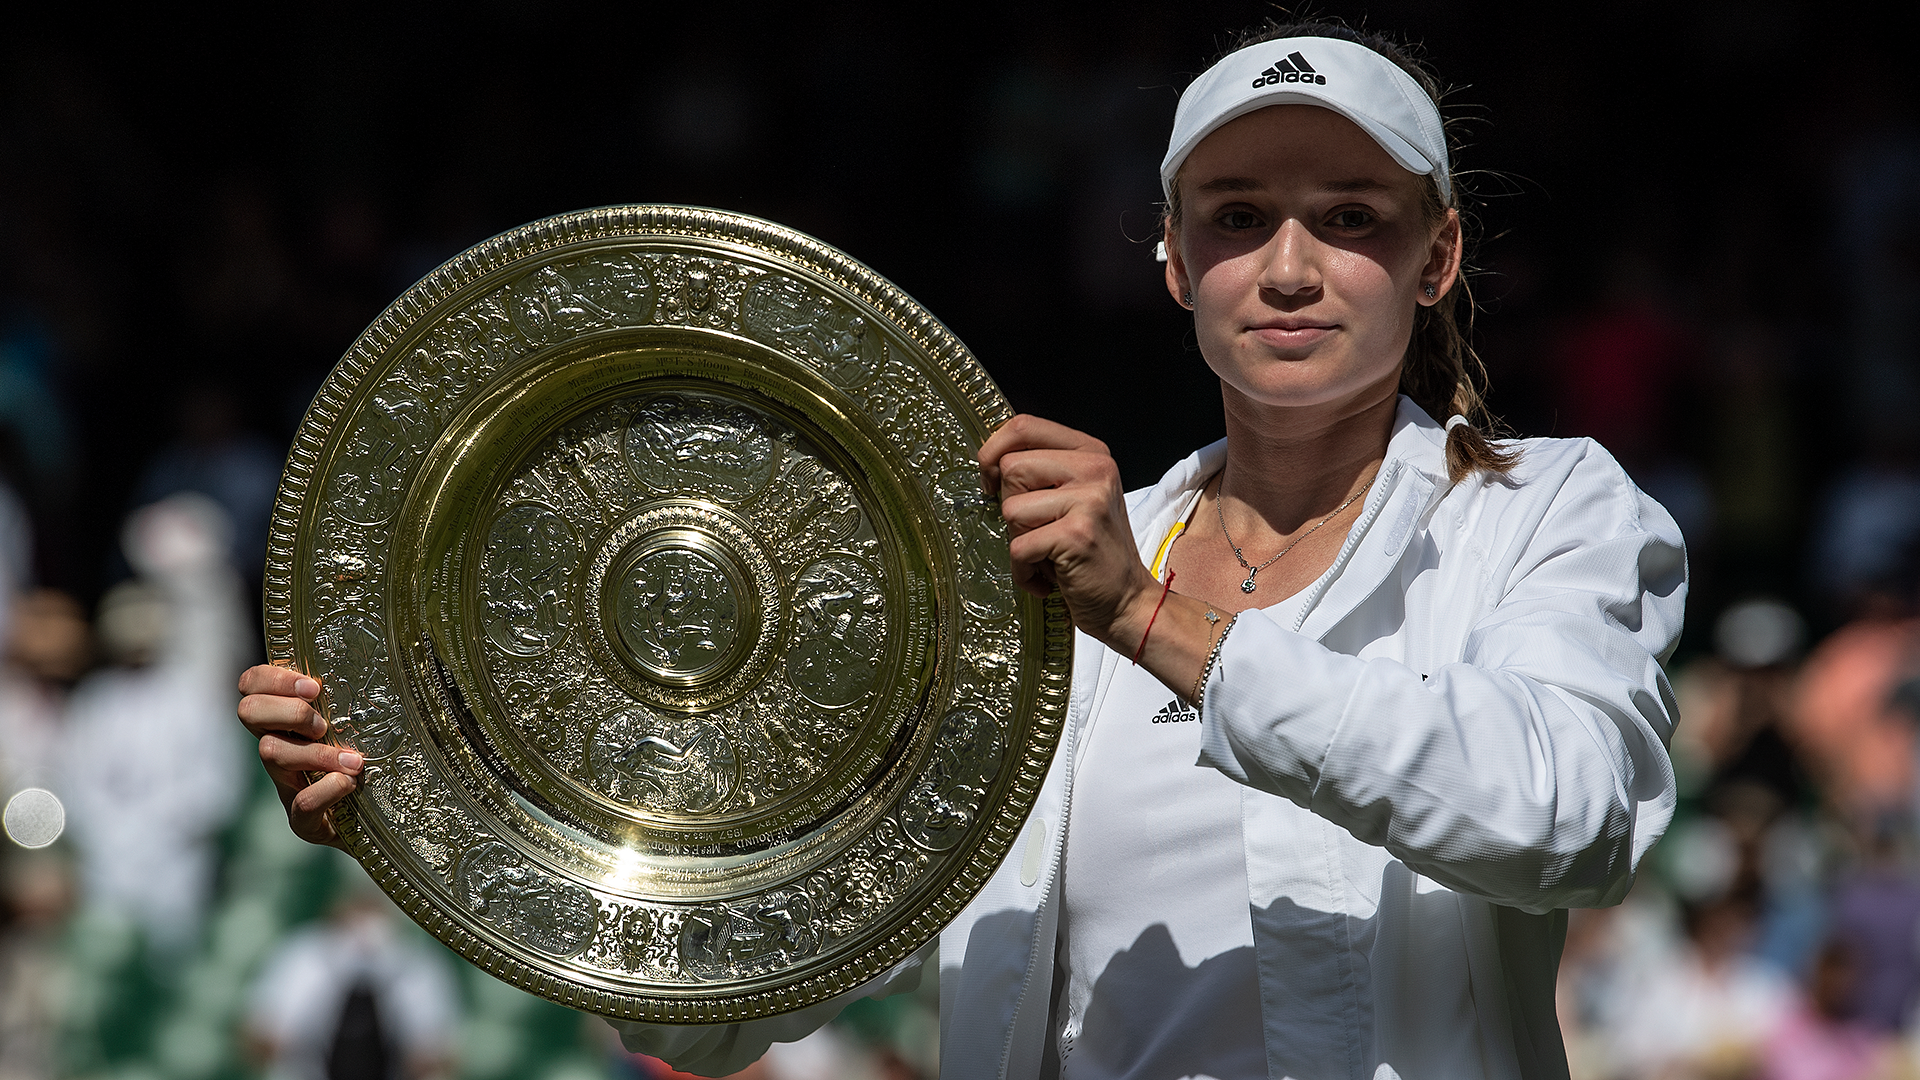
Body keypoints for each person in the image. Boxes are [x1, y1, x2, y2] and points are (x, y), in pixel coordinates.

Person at [237, 22, 1686, 1079]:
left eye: (1352, 220)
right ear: (1176, 262)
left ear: (1435, 260)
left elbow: (1569, 821)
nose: (1292, 267)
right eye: (1240, 220)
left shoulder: (1547, 511)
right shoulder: (1021, 578)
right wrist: (430, 812)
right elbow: (724, 1012)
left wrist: (1157, 618)